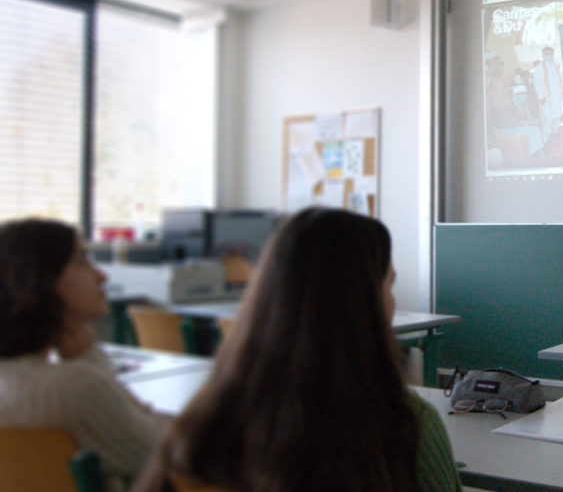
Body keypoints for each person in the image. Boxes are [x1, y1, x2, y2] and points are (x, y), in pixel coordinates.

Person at [134, 208, 462, 492]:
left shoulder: (203, 425)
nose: (394, 301)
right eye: (389, 286)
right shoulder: (406, 424)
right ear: (360, 307)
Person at [0, 218, 165, 490]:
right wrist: (90, 357)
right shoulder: (77, 387)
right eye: (83, 262)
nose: (102, 276)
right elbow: (166, 457)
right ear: (38, 280)